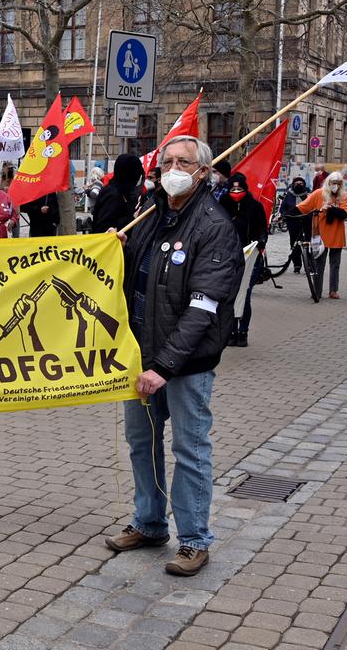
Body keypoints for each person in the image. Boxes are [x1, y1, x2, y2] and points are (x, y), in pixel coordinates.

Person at [105, 136, 241, 578]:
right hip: (139, 359)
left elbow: (203, 308)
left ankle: (194, 540)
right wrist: (115, 247)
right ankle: (148, 522)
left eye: (184, 162)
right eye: (167, 161)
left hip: (182, 366)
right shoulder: (152, 215)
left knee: (189, 449)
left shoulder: (213, 225)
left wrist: (163, 367)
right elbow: (136, 277)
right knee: (141, 444)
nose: (173, 168)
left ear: (203, 171)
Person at [219, 173, 267, 347]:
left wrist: (261, 240)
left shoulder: (255, 206)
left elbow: (263, 227)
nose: (236, 191)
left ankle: (243, 332)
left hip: (250, 256)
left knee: (244, 294)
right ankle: (230, 331)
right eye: (233, 189)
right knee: (230, 295)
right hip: (228, 256)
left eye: (239, 189)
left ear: (246, 189)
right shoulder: (222, 205)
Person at [295, 170, 347, 299]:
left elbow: (344, 213)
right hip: (320, 234)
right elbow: (303, 206)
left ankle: (333, 290)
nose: (335, 186)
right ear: (328, 183)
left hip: (336, 234)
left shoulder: (343, 196)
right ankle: (316, 291)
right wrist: (287, 214)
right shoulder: (318, 193)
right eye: (333, 183)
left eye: (338, 183)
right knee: (318, 264)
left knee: (335, 264)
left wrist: (330, 208)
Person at [91, 154, 143, 234]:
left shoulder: (124, 191)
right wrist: (133, 218)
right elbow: (104, 229)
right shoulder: (112, 194)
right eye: (137, 173)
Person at [280, 177, 313, 273]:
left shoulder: (308, 194)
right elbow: (283, 208)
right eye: (297, 183)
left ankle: (310, 264)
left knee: (307, 242)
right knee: (294, 244)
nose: (299, 184)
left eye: (301, 183)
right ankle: (297, 264)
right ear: (293, 184)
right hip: (292, 221)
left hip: (306, 220)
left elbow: (314, 205)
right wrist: (284, 215)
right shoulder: (289, 195)